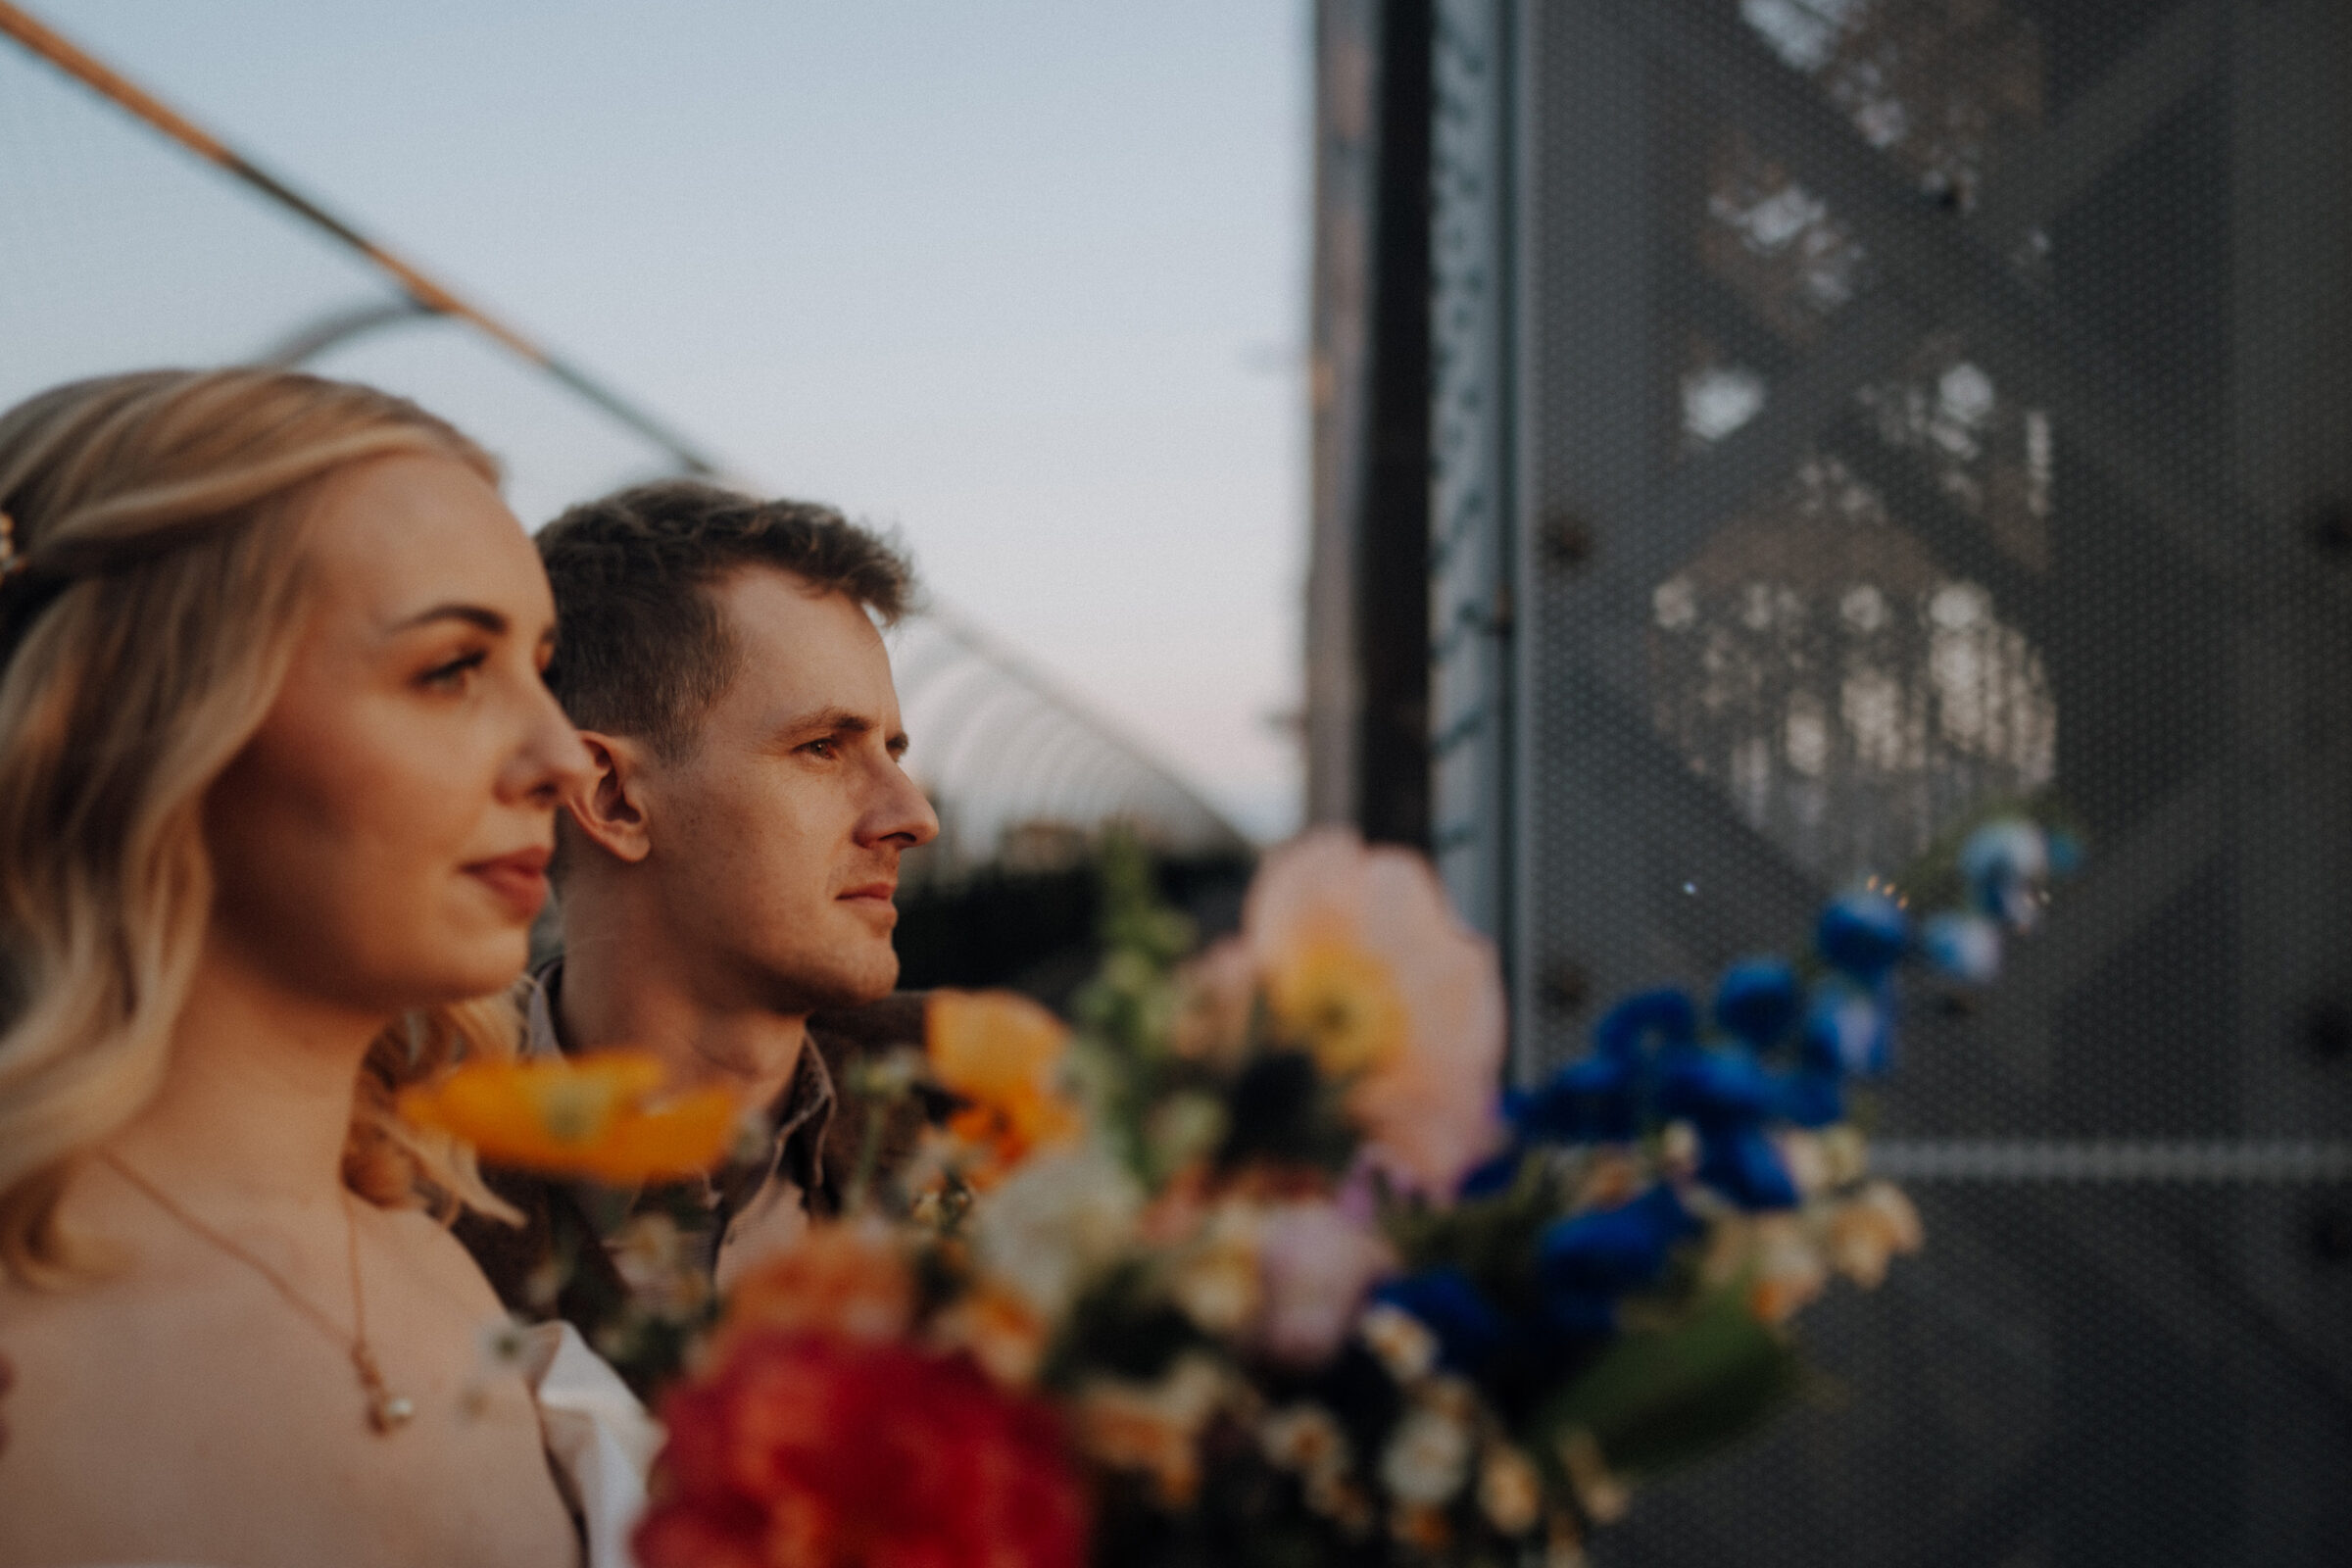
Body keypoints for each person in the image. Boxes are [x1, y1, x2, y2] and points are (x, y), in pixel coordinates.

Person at [0, 368, 641, 1568]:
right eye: (452, 667)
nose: (562, 756)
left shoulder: (441, 1255)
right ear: (143, 718)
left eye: (539, 669)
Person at [455, 480, 941, 1383]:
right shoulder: (396, 1189)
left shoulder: (991, 1112)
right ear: (610, 796)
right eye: (824, 748)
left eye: (894, 752)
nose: (912, 815)